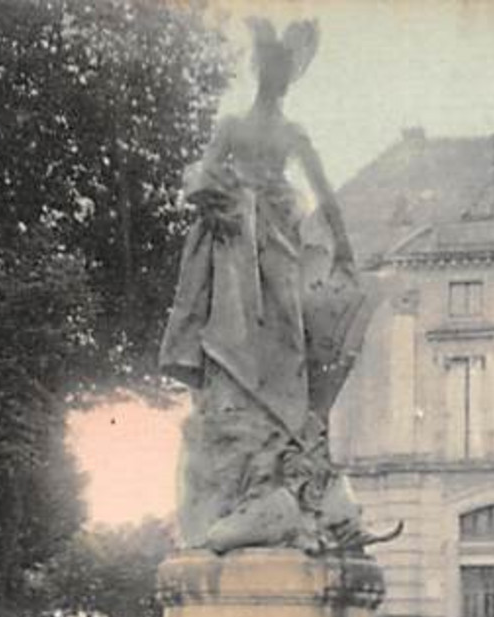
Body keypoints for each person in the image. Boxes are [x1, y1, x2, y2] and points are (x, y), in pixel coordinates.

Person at [159, 18, 381, 555]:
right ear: (260, 71)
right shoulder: (232, 125)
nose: (274, 81)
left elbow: (327, 196)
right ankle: (248, 432)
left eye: (283, 74)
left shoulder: (292, 132)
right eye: (269, 71)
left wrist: (347, 253)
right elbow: (204, 173)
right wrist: (215, 194)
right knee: (233, 329)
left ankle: (278, 434)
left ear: (288, 79)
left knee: (284, 333)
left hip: (278, 240)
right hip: (236, 237)